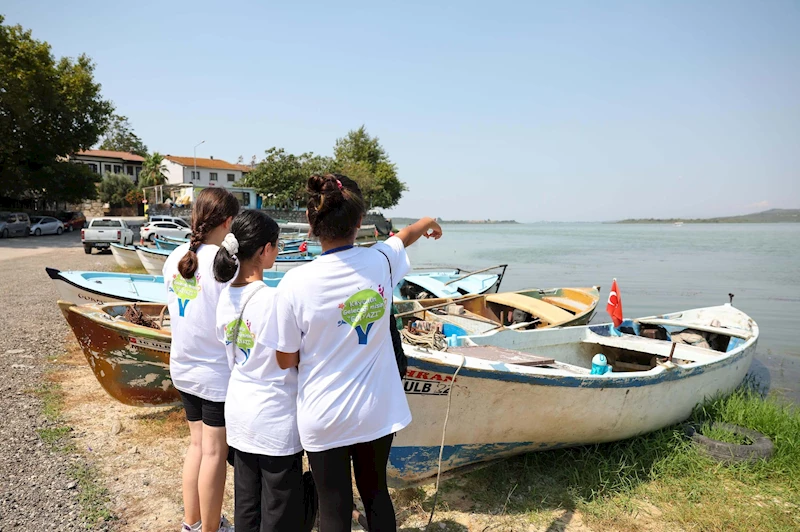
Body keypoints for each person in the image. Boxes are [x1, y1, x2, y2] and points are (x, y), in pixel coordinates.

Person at [269, 173, 443, 532]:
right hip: (375, 410)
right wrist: (430, 223)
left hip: (324, 414)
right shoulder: (380, 262)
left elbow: (285, 358)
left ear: (310, 220)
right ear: (360, 222)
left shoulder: (294, 284)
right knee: (376, 494)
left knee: (333, 507)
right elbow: (405, 236)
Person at [213, 210, 316, 532]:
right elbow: (293, 355)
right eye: (276, 245)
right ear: (264, 250)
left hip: (240, 411)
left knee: (246, 503)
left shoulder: (224, 296)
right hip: (275, 415)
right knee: (279, 508)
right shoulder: (274, 300)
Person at [163, 187, 240, 532]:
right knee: (213, 453)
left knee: (196, 446)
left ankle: (192, 524)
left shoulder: (173, 258)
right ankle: (211, 529)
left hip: (182, 366)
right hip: (214, 375)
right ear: (227, 222)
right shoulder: (224, 263)